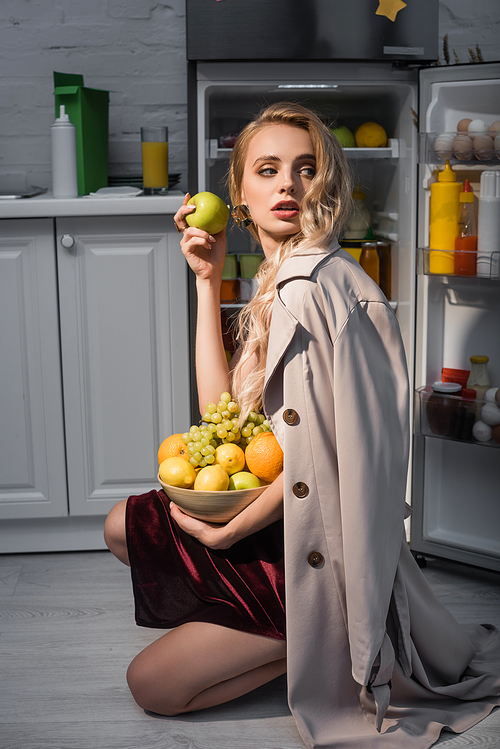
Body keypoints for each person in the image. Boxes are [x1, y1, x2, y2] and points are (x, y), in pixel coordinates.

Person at [105, 102, 500, 748]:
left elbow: (316, 466)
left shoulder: (308, 287)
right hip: (293, 512)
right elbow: (224, 420)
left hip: (321, 542)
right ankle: (261, 624)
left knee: (153, 684)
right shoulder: (281, 275)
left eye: (305, 168)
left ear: (327, 182)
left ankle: (321, 639)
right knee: (122, 526)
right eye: (268, 169)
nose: (288, 183)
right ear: (240, 192)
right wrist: (206, 280)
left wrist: (229, 528)